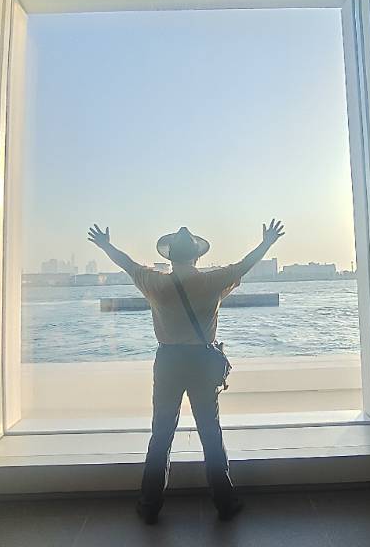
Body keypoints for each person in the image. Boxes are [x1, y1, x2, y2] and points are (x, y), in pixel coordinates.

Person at [87, 220, 286, 523]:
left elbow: (127, 264)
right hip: (202, 362)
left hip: (168, 361)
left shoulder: (155, 283)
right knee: (210, 432)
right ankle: (225, 503)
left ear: (169, 257)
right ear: (197, 256)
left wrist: (105, 245)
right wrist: (267, 243)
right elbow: (243, 266)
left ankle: (150, 505)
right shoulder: (212, 282)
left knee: (161, 433)